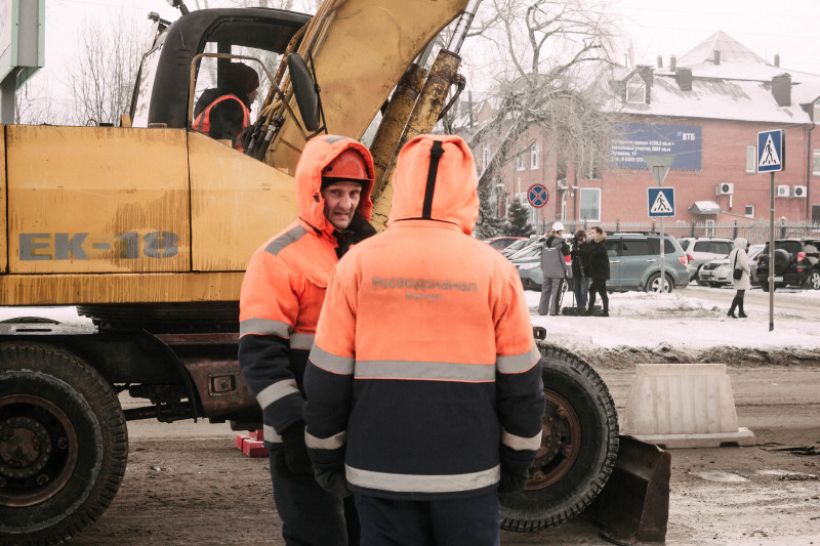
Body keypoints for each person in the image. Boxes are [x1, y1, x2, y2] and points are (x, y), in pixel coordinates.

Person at [302, 135, 545, 546]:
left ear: (402, 186)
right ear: (467, 189)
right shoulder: (494, 270)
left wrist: (326, 457)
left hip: (378, 474)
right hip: (468, 477)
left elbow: (326, 379)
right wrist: (518, 462)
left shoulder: (357, 264)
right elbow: (523, 385)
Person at [238, 135, 377, 546]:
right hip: (301, 434)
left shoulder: (373, 253)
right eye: (336, 192)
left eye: (354, 192)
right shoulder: (277, 257)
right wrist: (293, 426)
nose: (346, 204)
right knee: (315, 538)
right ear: (314, 191)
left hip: (363, 432)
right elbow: (260, 353)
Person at [193, 62, 260, 150]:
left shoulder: (220, 101)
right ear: (246, 87)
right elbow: (223, 147)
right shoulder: (231, 106)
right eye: (254, 88)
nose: (256, 93)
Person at [538, 221, 571, 316]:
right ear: (560, 232)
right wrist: (569, 272)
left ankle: (542, 310)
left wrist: (544, 269)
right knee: (556, 292)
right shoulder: (562, 244)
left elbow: (542, 258)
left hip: (547, 272)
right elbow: (567, 260)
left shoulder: (545, 244)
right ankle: (554, 311)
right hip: (558, 272)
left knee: (545, 291)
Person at [585, 226, 610, 317]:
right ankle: (606, 312)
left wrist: (587, 243)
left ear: (599, 234)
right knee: (602, 292)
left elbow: (592, 253)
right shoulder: (594, 244)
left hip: (601, 273)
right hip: (597, 273)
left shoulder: (601, 245)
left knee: (592, 290)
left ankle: (590, 311)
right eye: (590, 233)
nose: (591, 234)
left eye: (593, 233)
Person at [727, 237, 750, 318]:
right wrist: (748, 271)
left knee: (740, 293)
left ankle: (741, 312)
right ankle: (731, 311)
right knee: (740, 294)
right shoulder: (742, 252)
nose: (746, 245)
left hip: (736, 274)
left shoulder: (733, 251)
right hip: (742, 275)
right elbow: (744, 263)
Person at [571, 229, 589, 312]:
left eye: (582, 238)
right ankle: (579, 306)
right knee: (576, 289)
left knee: (583, 290)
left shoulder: (587, 246)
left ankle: (582, 306)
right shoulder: (574, 246)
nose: (580, 240)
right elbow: (571, 256)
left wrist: (580, 246)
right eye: (579, 238)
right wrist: (575, 246)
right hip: (576, 271)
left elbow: (585, 253)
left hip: (585, 272)